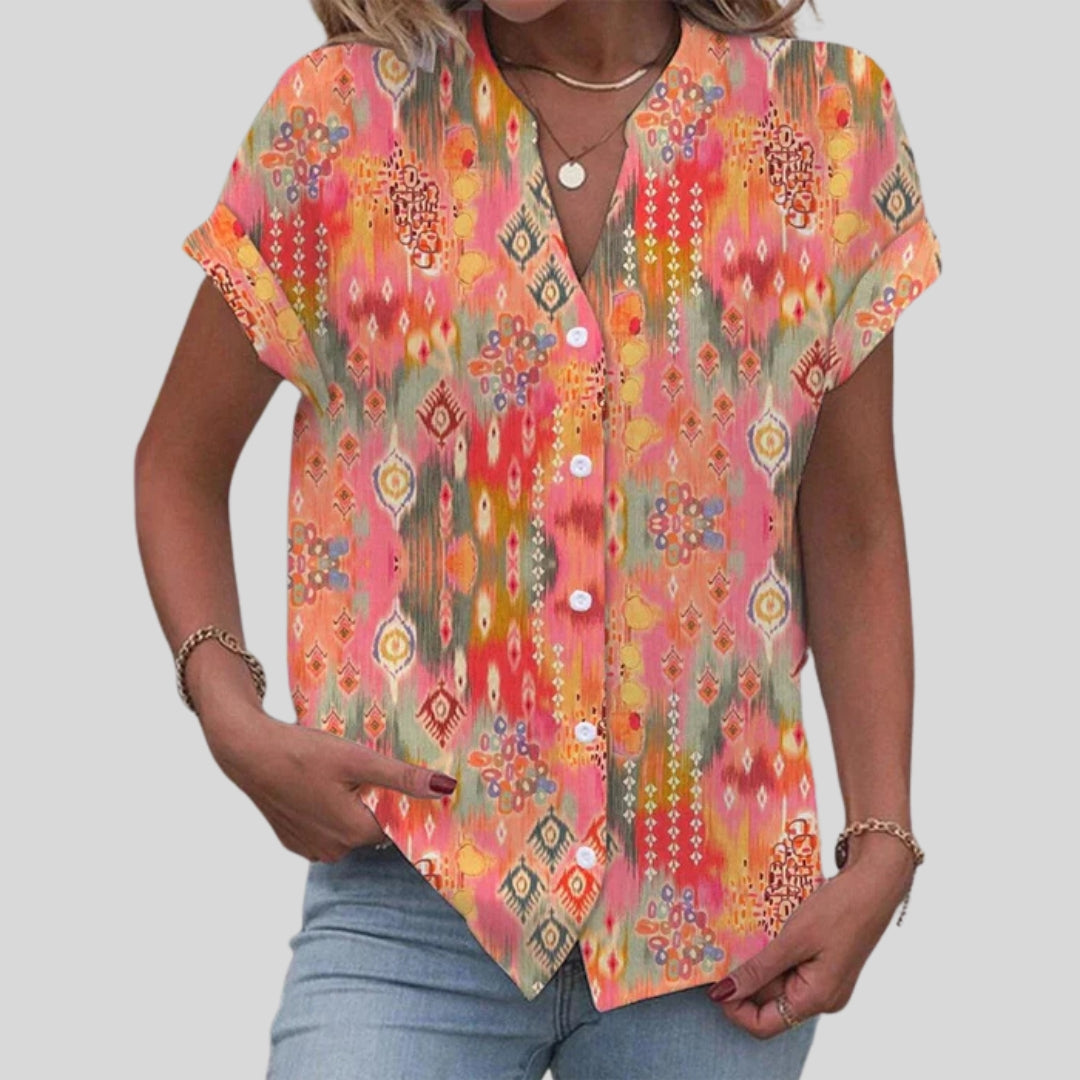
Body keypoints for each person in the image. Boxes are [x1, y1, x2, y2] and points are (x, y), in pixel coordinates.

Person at [135, 0, 941, 1075]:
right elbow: (179, 464)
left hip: (720, 929)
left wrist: (883, 842)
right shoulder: (338, 120)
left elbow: (854, 525)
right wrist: (230, 715)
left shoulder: (824, 121)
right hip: (411, 901)